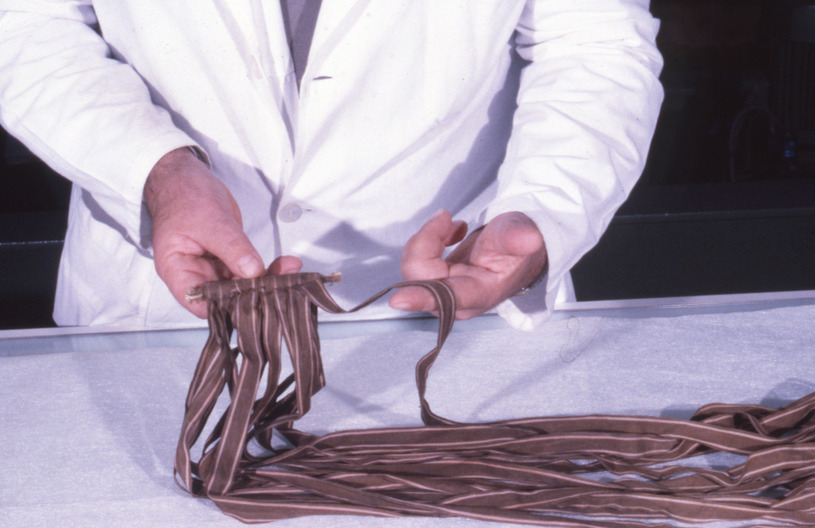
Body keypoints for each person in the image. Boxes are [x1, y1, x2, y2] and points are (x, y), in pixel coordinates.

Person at [0, 1, 663, 330]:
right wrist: (157, 171)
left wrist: (544, 210)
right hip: (157, 320)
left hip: (438, 319)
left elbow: (595, 45)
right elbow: (25, 23)